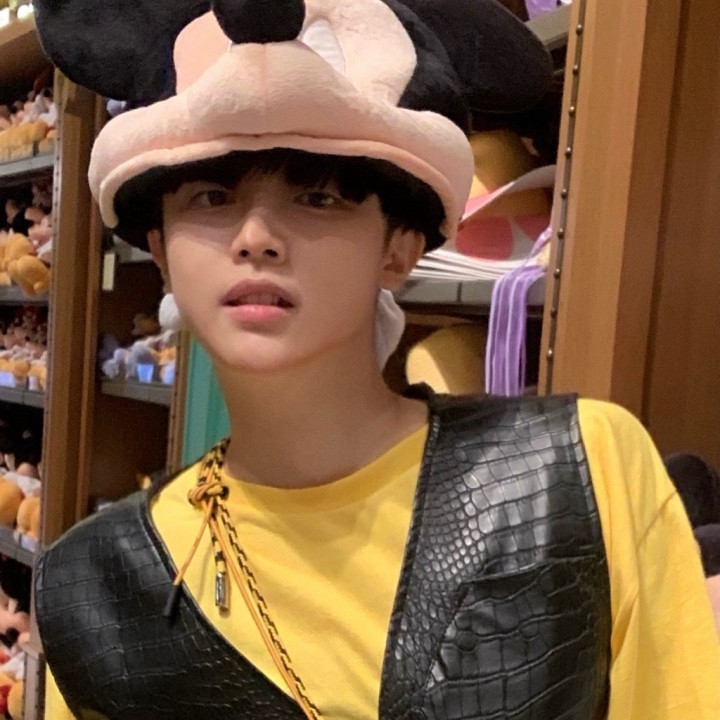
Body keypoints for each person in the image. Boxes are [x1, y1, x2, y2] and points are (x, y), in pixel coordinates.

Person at [33, 0, 720, 719]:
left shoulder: (580, 474)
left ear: (399, 246)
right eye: (212, 196)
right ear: (161, 248)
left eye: (318, 197)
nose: (257, 236)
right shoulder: (97, 589)